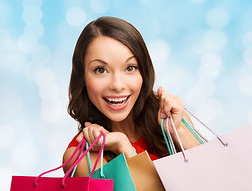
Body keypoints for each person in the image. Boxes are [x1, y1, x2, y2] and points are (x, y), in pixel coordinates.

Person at [63, 16, 201, 176]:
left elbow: (218, 177)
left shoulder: (173, 119)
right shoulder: (82, 158)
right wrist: (125, 149)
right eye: (100, 70)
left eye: (130, 68)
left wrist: (179, 132)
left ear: (144, 71)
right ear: (82, 78)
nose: (117, 85)